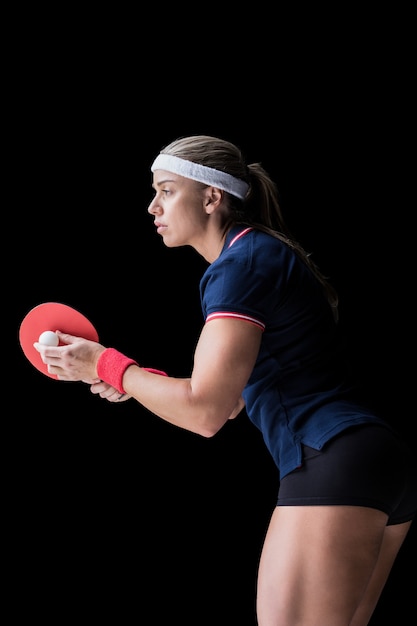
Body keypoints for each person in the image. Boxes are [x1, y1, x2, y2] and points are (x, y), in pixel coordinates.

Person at [34, 135, 416, 625]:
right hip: (375, 462)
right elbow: (231, 398)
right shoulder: (258, 253)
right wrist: (133, 379)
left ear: (212, 197)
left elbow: (206, 413)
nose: (152, 206)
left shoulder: (241, 265)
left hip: (332, 459)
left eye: (167, 191)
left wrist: (107, 365)